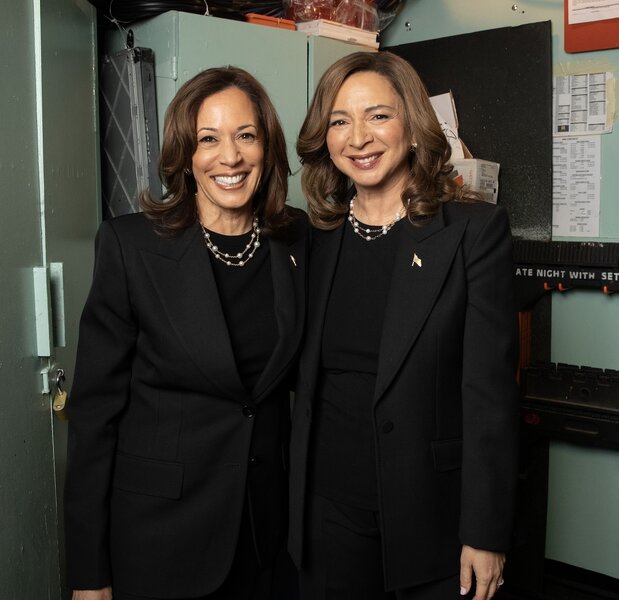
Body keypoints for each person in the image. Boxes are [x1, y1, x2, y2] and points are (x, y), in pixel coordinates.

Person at [64, 66, 307, 600]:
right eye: (208, 139)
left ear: (266, 148)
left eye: (246, 136)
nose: (231, 157)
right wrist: (88, 573)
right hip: (161, 539)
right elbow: (93, 417)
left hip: (265, 537)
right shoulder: (131, 247)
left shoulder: (296, 241)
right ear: (184, 155)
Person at [288, 51, 519, 600]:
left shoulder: (472, 233)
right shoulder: (310, 239)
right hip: (327, 516)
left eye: (378, 116)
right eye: (340, 120)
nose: (358, 137)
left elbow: (489, 395)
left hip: (430, 521)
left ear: (413, 128)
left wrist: (485, 532)